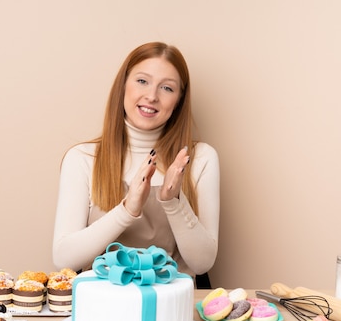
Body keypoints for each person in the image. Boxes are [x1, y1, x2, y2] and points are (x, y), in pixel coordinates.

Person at [52, 42, 219, 279]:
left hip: (173, 310)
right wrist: (127, 210)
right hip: (101, 307)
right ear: (123, 86)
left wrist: (173, 201)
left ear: (179, 100)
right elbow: (63, 259)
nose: (151, 96)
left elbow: (202, 264)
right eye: (142, 81)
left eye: (167, 88)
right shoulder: (82, 158)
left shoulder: (201, 158)